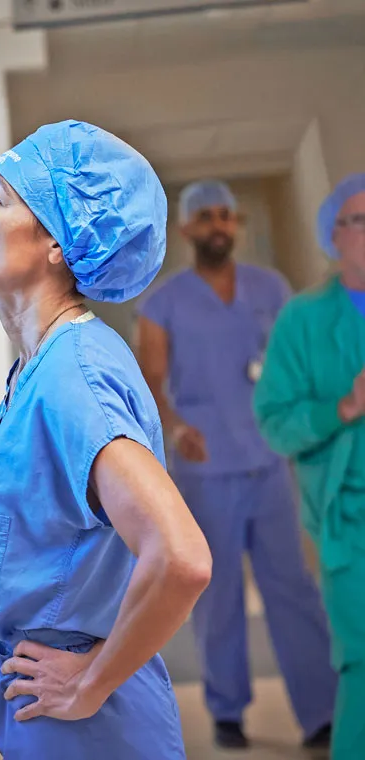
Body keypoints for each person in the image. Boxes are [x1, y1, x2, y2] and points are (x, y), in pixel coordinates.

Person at [0, 119, 212, 760]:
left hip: (85, 722)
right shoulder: (42, 365)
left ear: (58, 244)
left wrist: (92, 681)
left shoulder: (74, 377)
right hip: (49, 707)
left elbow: (180, 557)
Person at [135, 179, 337, 750]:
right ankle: (226, 708)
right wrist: (173, 428)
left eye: (227, 216)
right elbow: (151, 382)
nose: (219, 226)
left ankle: (321, 710)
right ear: (187, 230)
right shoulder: (164, 303)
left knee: (292, 587)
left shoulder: (271, 289)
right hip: (204, 470)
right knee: (217, 592)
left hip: (269, 464)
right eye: (207, 217)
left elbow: (300, 365)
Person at [254, 172, 365, 759]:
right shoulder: (304, 320)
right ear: (335, 235)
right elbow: (275, 420)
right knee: (363, 665)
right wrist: (345, 405)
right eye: (361, 220)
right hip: (350, 518)